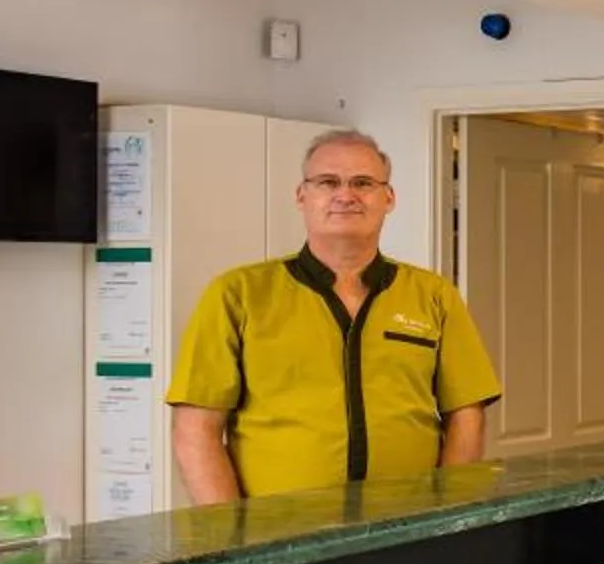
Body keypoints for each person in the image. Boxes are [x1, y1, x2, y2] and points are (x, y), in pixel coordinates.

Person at [167, 129, 501, 501]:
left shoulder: (433, 296)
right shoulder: (238, 295)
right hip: (279, 534)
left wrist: (448, 513)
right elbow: (196, 429)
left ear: (388, 198)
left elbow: (466, 414)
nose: (346, 195)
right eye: (328, 182)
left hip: (405, 525)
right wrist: (231, 536)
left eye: (363, 183)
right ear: (302, 195)